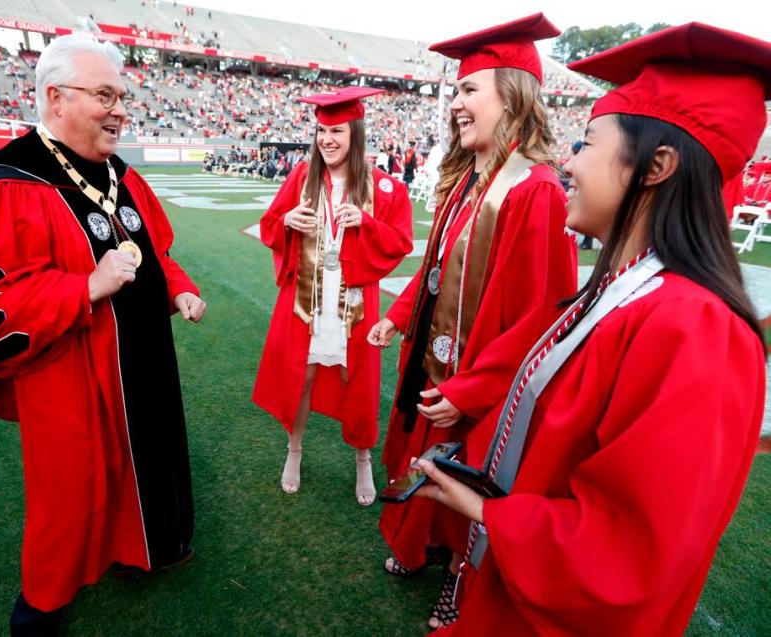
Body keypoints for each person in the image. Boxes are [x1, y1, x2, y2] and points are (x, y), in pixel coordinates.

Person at [415, 22, 768, 635]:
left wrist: (489, 514)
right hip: (509, 586)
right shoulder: (617, 293)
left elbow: (632, 554)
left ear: (656, 165)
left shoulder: (696, 328)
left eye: (586, 143)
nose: (567, 162)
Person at [0, 35, 206, 635]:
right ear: (56, 98)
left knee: (147, 455)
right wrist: (83, 289)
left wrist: (176, 285)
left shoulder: (122, 176)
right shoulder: (10, 182)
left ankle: (140, 550)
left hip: (143, 357)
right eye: (105, 95)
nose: (121, 110)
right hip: (68, 371)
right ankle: (43, 603)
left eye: (123, 97)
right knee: (71, 489)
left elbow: (154, 249)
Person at [366, 13, 578, 628]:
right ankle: (420, 543)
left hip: (483, 382)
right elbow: (437, 272)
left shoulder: (534, 191)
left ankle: (459, 578)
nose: (455, 104)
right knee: (423, 454)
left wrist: (471, 389)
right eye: (455, 91)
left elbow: (542, 315)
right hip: (437, 356)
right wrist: (400, 314)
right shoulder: (468, 181)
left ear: (510, 98)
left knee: (470, 481)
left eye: (468, 91)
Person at [253, 87, 413, 506]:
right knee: (301, 378)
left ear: (355, 133)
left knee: (355, 383)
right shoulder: (301, 178)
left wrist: (366, 222)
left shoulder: (385, 187)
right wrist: (287, 220)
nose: (327, 139)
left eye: (336, 131)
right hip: (307, 301)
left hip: (355, 305)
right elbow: (270, 225)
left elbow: (401, 243)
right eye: (322, 131)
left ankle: (362, 459)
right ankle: (294, 451)